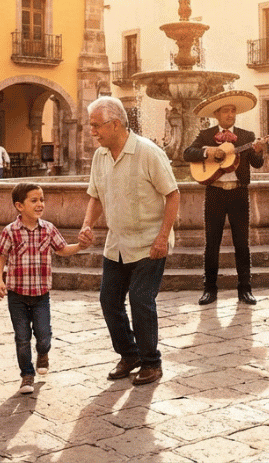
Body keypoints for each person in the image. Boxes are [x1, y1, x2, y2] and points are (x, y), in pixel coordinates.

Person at [81, 96, 179, 386]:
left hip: (150, 243)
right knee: (109, 300)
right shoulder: (100, 157)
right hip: (117, 244)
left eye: (97, 126)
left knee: (140, 299)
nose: (93, 132)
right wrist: (88, 223)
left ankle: (151, 362)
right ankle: (129, 354)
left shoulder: (149, 153)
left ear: (115, 124)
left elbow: (173, 195)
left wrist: (162, 238)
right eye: (91, 126)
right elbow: (95, 195)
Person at [0, 183, 92, 394]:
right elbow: (0, 256)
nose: (40, 204)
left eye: (42, 200)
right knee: (21, 337)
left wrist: (80, 247)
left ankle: (43, 352)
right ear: (19, 206)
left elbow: (63, 249)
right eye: (34, 200)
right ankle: (27, 375)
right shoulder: (10, 231)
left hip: (41, 295)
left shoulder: (48, 229)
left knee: (44, 334)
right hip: (16, 295)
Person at [182, 90, 264, 306]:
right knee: (212, 243)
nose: (230, 114)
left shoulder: (247, 136)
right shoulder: (206, 135)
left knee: (242, 243)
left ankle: (245, 290)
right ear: (216, 114)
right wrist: (208, 152)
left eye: (233, 110)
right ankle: (209, 289)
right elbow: (187, 153)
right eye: (226, 111)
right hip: (215, 192)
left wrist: (259, 150)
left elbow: (256, 163)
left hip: (238, 192)